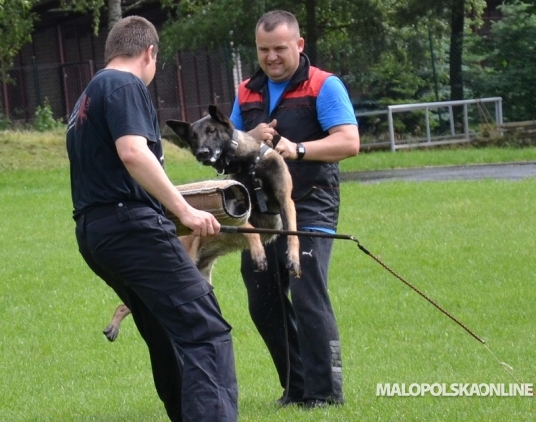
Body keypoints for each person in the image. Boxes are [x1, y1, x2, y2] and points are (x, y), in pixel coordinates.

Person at [66, 16, 238, 422]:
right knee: (206, 332)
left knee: (167, 334)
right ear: (149, 53)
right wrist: (184, 210)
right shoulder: (125, 84)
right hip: (131, 230)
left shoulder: (87, 97)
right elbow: (132, 153)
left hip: (97, 233)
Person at [229, 10, 360, 408]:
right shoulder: (246, 91)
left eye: (279, 49)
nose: (270, 57)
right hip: (263, 213)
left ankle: (325, 393)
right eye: (263, 49)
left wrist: (299, 149)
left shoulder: (325, 85)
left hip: (312, 203)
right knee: (262, 297)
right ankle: (297, 387)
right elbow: (231, 146)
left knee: (306, 293)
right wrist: (248, 136)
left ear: (299, 46)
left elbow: (349, 142)